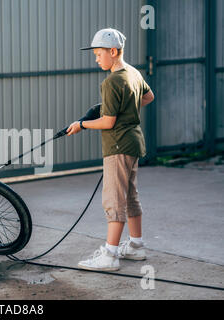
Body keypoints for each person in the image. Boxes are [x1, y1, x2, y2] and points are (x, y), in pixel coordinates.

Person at [66, 28, 155, 271]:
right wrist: (126, 106)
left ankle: (110, 255)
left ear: (112, 52)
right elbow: (148, 97)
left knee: (114, 199)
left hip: (117, 146)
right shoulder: (133, 73)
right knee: (130, 196)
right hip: (134, 143)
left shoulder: (111, 81)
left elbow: (108, 122)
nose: (96, 59)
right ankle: (136, 246)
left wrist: (81, 124)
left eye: (98, 54)